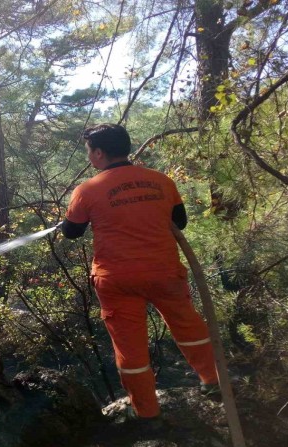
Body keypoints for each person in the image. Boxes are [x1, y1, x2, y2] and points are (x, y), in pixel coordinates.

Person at [60, 123, 219, 423]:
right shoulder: (161, 181)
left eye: (89, 152)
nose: (89, 157)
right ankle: (213, 381)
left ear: (98, 153)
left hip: (116, 279)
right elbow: (179, 222)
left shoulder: (87, 190)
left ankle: (147, 412)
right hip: (164, 273)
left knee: (129, 346)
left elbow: (72, 232)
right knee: (187, 325)